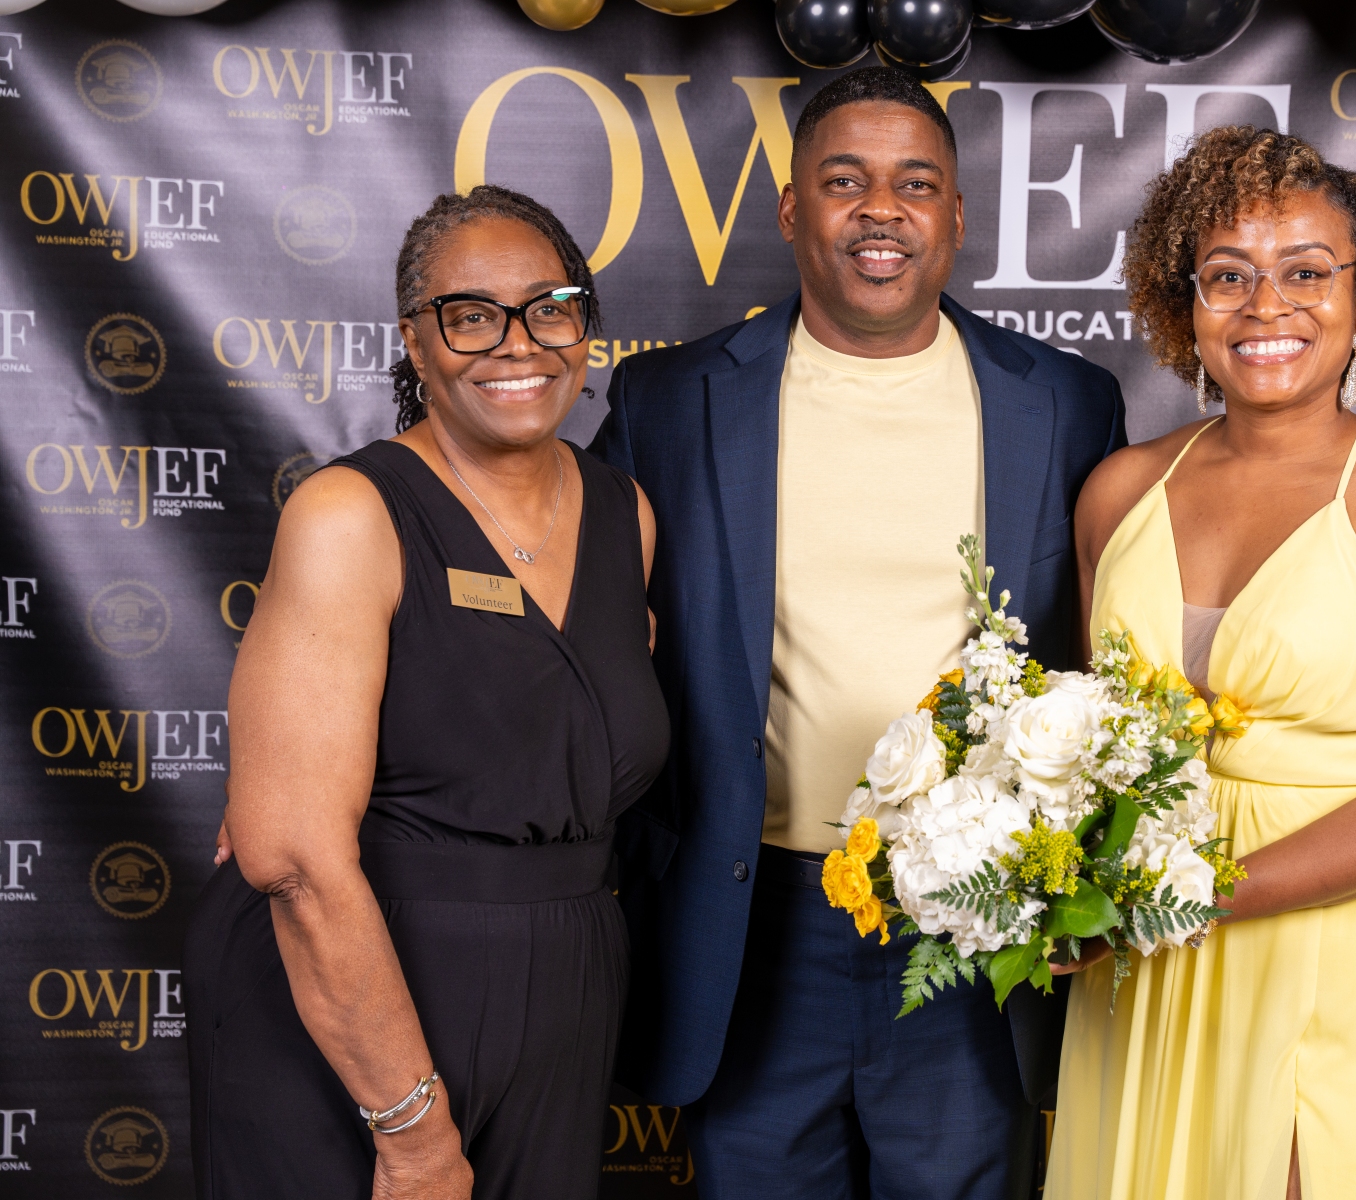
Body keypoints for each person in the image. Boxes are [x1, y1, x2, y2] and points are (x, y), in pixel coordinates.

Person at [592, 68, 1126, 1200]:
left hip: (975, 924)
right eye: (845, 181)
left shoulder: (1067, 403)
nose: (881, 209)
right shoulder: (668, 402)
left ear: (956, 217)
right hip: (753, 923)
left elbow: (1110, 647)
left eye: (915, 184)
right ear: (793, 210)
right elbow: (575, 625)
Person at [1044, 127, 1356, 1200]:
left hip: (1350, 953)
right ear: (1185, 304)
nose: (1266, 307)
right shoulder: (1119, 492)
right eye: (1228, 277)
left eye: (1307, 273)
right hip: (1150, 966)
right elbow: (1092, 748)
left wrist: (1193, 897)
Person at [185, 185, 668, 1200]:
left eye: (550, 307)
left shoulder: (625, 512)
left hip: (566, 994)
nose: (518, 343)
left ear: (584, 325)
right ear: (415, 339)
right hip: (356, 1006)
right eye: (471, 315)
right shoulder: (349, 514)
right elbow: (294, 857)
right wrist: (412, 1135)